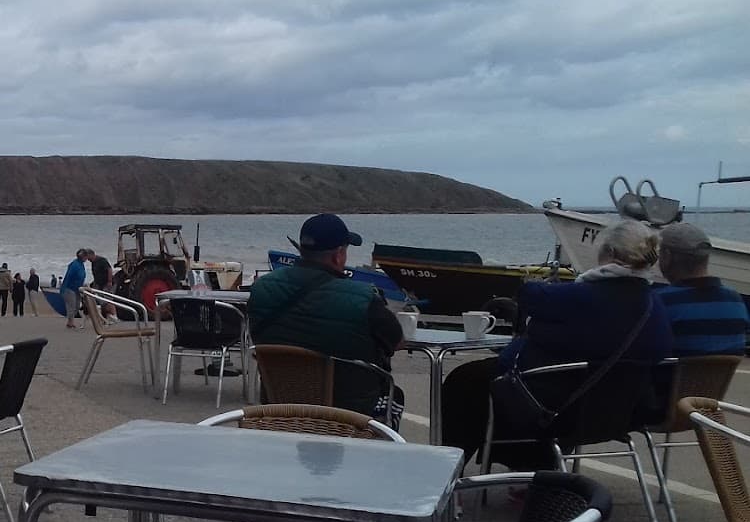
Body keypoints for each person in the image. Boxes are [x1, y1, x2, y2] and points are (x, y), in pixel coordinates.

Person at [439, 219, 673, 469]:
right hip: (619, 415)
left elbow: (530, 296)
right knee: (500, 381)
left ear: (611, 254)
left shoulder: (580, 296)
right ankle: (530, 470)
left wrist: (540, 329)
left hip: (558, 411)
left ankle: (450, 471)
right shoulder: (654, 305)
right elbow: (660, 349)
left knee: (466, 380)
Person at [248, 214, 404, 423]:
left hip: (280, 409)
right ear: (338, 255)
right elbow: (397, 342)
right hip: (350, 417)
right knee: (395, 395)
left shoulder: (261, 289)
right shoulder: (363, 298)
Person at [653, 222, 748, 356]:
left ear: (667, 256)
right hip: (721, 377)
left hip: (671, 376)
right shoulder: (736, 301)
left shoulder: (659, 302)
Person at [60, 249, 88, 330]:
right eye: (85, 256)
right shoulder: (74, 265)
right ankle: (70, 322)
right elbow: (69, 277)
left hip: (77, 289)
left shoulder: (81, 264)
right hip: (69, 288)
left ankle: (70, 321)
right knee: (71, 305)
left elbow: (81, 277)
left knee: (76, 306)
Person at [88, 249, 114, 320]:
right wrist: (95, 283)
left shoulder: (102, 260)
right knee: (101, 301)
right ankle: (105, 316)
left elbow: (109, 269)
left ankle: (114, 315)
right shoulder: (93, 262)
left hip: (106, 283)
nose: (88, 260)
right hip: (98, 284)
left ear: (92, 254)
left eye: (89, 258)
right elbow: (95, 273)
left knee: (108, 300)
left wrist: (109, 281)